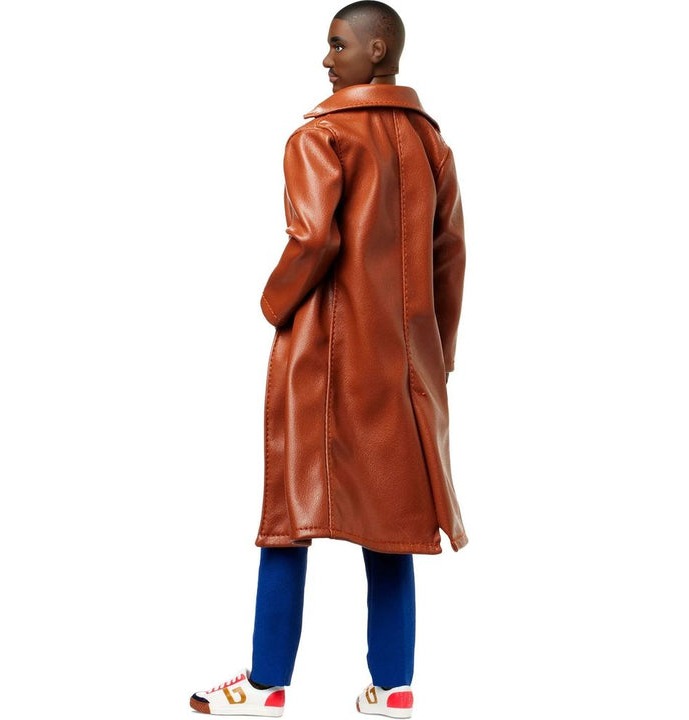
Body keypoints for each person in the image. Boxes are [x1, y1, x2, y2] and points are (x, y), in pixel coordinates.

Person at [189, 1, 467, 716]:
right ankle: (394, 689)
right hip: (403, 365)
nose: (326, 58)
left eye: (338, 44)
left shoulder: (321, 137)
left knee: (289, 518)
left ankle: (265, 683)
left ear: (377, 51)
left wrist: (272, 304)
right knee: (394, 524)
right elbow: (449, 257)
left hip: (323, 355)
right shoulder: (432, 144)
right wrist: (439, 354)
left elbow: (314, 239)